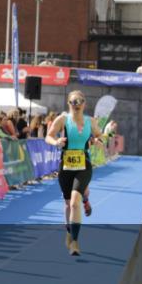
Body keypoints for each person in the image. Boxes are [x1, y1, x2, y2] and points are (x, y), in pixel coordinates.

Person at [46, 91, 101, 256]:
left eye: (79, 102)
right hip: (66, 166)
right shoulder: (62, 119)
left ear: (84, 103)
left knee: (74, 203)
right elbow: (48, 136)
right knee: (68, 203)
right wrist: (56, 142)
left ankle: (75, 243)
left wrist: (98, 140)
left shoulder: (90, 121)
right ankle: (69, 231)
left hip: (84, 165)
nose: (76, 105)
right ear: (69, 104)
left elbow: (100, 135)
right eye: (72, 102)